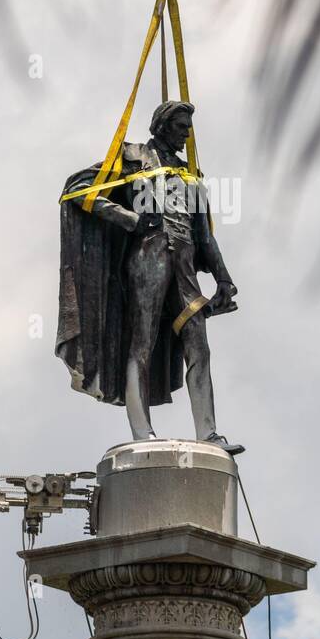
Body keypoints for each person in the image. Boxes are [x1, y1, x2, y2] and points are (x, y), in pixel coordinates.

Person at [57, 100, 242, 452]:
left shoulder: (191, 175)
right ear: (161, 126)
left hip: (185, 266)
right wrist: (131, 220)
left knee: (199, 346)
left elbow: (204, 235)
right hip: (148, 257)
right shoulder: (132, 157)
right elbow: (79, 191)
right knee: (142, 342)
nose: (187, 134)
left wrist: (223, 279)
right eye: (181, 127)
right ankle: (143, 433)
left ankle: (209, 434)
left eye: (189, 128)